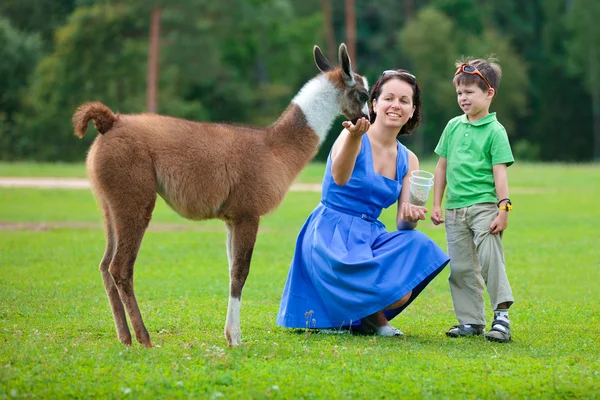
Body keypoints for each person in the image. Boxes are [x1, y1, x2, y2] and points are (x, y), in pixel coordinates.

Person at [277, 69, 450, 336]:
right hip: (330, 233)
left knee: (419, 246)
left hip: (370, 235)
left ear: (413, 110)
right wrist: (355, 138)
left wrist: (413, 214)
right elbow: (340, 177)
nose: (395, 105)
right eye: (388, 98)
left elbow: (404, 224)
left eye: (404, 101)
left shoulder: (409, 160)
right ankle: (371, 320)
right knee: (359, 270)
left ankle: (363, 316)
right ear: (374, 104)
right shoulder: (352, 135)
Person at [431, 57, 515, 343]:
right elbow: (441, 166)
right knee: (461, 267)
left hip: (484, 208)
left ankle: (501, 317)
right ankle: (470, 321)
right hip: (454, 210)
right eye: (459, 93)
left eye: (469, 92)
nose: (462, 98)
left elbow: (499, 173)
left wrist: (504, 207)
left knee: (491, 260)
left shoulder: (495, 131)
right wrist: (436, 204)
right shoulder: (453, 127)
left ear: (488, 93)